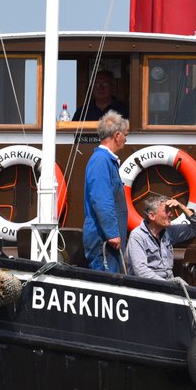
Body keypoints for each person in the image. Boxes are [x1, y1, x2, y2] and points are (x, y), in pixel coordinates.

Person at [82, 111, 129, 272]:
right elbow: (101, 200)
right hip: (103, 240)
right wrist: (112, 234)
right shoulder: (101, 161)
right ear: (117, 135)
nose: (126, 139)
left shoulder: (105, 161)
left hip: (108, 239)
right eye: (125, 135)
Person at [126, 193, 196, 280]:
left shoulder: (169, 232)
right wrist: (168, 285)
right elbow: (141, 271)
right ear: (152, 216)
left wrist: (182, 207)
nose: (171, 214)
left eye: (170, 210)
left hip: (168, 285)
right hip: (147, 288)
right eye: (166, 211)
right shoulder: (137, 236)